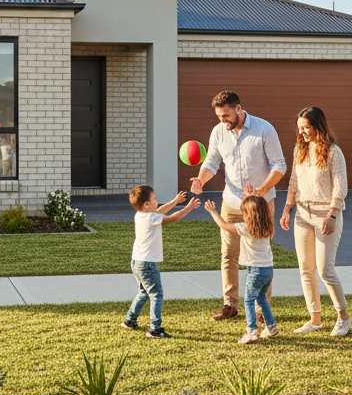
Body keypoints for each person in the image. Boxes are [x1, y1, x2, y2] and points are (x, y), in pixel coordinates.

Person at [189, 90, 286, 321]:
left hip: (260, 204)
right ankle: (229, 304)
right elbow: (211, 162)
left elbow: (279, 165)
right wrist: (201, 178)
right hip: (231, 202)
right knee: (228, 254)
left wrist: (261, 191)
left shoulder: (264, 129)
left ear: (239, 109)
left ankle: (264, 308)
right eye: (219, 117)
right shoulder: (218, 132)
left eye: (225, 116)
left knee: (261, 256)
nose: (222, 121)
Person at [279, 106, 352, 337]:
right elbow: (294, 181)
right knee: (305, 269)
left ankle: (343, 317)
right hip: (302, 214)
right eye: (300, 128)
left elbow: (340, 187)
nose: (302, 132)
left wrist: (332, 215)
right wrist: (287, 208)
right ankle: (315, 320)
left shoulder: (333, 152)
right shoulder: (299, 149)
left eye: (307, 127)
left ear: (318, 126)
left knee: (325, 270)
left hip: (325, 215)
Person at [122, 185, 200, 339]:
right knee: (157, 294)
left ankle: (130, 320)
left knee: (144, 292)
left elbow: (160, 211)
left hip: (136, 261)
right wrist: (188, 208)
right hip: (147, 264)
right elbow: (173, 218)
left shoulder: (140, 215)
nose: (157, 201)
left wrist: (175, 201)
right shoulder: (150, 217)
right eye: (155, 199)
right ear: (146, 204)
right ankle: (155, 329)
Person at [204, 187, 278, 344]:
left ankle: (251, 331)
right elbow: (258, 208)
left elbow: (224, 225)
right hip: (268, 270)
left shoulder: (246, 228)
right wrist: (249, 197)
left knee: (249, 300)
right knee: (262, 299)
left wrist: (213, 212)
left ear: (248, 215)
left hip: (255, 271)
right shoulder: (268, 227)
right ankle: (271, 327)